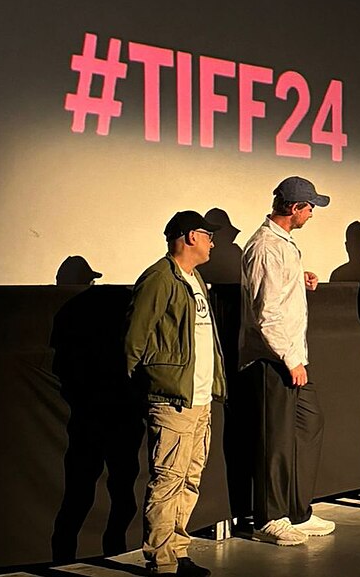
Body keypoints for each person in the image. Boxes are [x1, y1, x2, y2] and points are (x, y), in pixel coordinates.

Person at [124, 211, 227, 576]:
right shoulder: (159, 278)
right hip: (172, 401)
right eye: (208, 235)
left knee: (189, 479)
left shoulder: (195, 278)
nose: (212, 242)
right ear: (189, 237)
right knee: (167, 481)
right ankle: (162, 561)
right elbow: (134, 339)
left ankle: (178, 552)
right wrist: (146, 387)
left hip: (199, 400)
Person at [239, 176, 335, 546]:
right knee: (276, 441)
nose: (312, 213)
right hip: (272, 359)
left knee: (308, 425)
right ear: (294, 208)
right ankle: (269, 518)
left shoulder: (284, 245)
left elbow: (277, 293)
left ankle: (297, 511)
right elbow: (266, 314)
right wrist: (291, 359)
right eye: (309, 207)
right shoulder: (266, 246)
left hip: (292, 357)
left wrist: (299, 279)